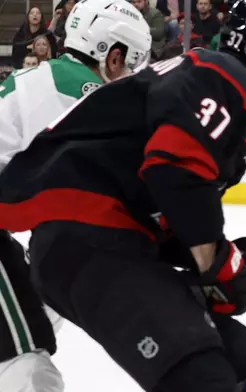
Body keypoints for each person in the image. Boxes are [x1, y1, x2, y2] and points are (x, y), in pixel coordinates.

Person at [0, 1, 246, 391]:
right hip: (88, 240)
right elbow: (175, 171)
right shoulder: (219, 74)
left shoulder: (194, 88)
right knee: (201, 375)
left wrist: (238, 261)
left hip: (99, 243)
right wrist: (220, 266)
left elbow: (169, 210)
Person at [0, 0, 151, 391]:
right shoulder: (85, 96)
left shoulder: (48, 78)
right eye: (131, 65)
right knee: (26, 360)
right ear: (114, 57)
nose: (131, 75)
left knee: (41, 301)